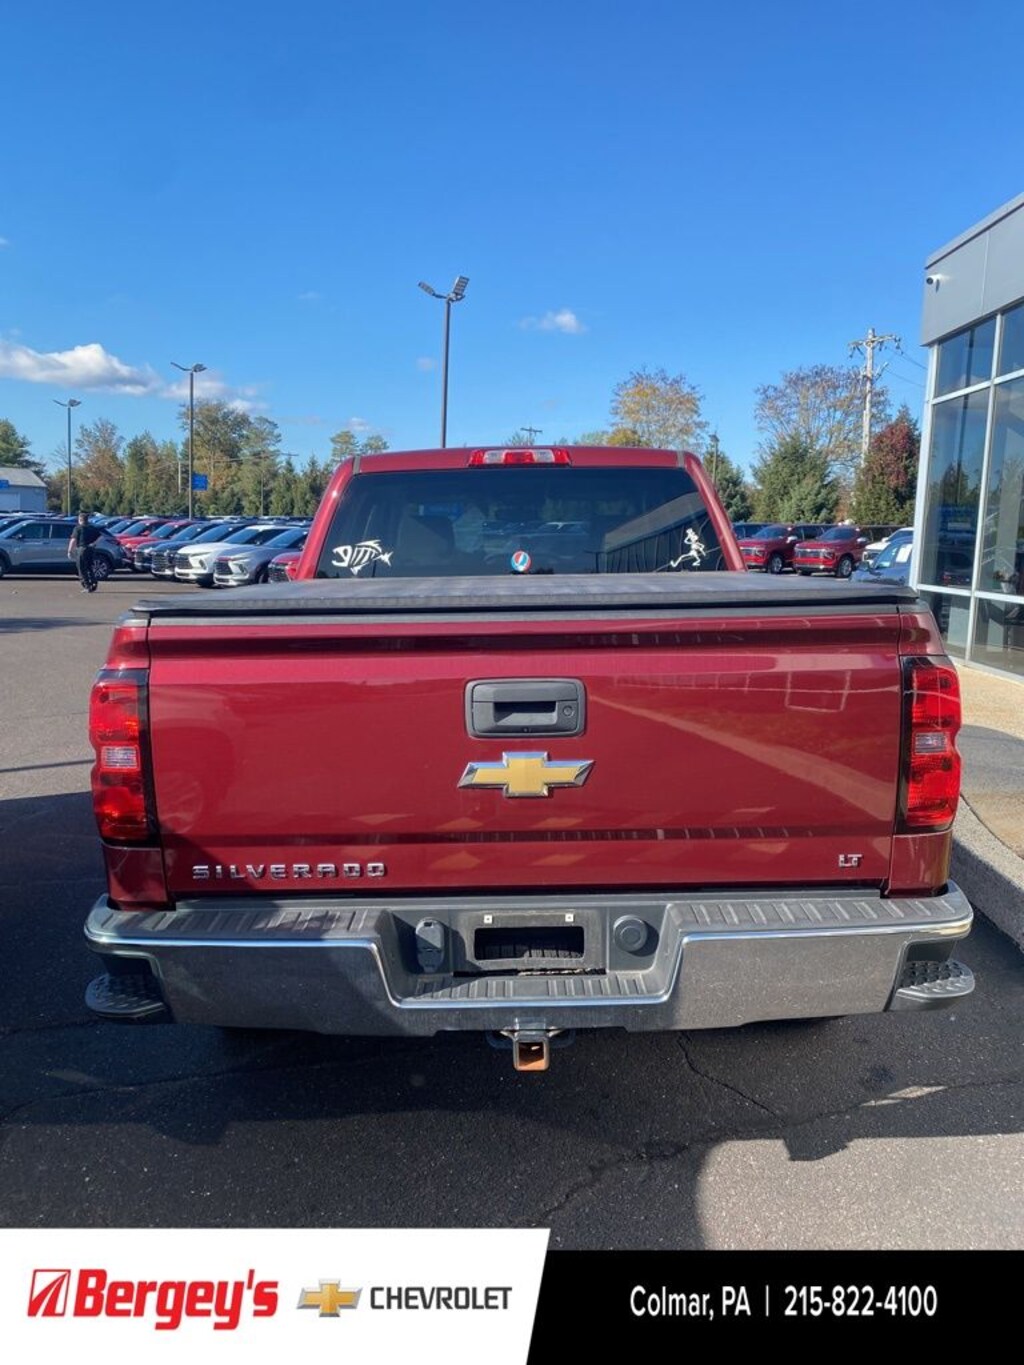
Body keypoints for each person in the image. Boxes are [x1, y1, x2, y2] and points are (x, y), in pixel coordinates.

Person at [68, 511, 103, 592]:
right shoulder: (92, 528)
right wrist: (94, 543)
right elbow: (100, 536)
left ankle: (87, 586)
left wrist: (69, 551)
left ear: (80, 520)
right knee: (89, 567)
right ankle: (93, 583)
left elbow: (73, 540)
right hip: (91, 549)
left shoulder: (78, 528)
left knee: (81, 568)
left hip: (82, 549)